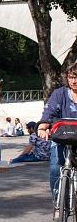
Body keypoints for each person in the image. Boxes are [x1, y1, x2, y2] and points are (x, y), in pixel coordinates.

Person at [37, 63, 77, 214]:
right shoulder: (59, 94)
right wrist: (42, 127)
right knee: (55, 168)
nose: (74, 81)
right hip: (62, 137)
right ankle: (58, 203)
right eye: (71, 77)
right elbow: (49, 112)